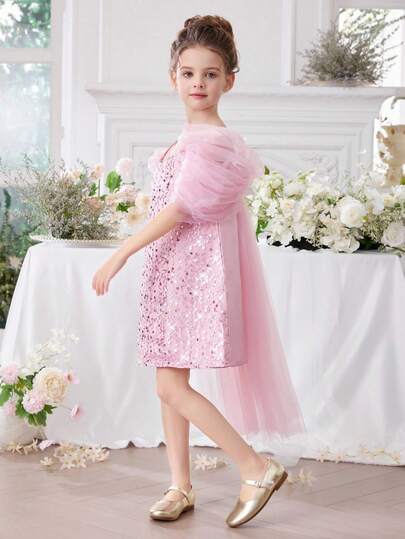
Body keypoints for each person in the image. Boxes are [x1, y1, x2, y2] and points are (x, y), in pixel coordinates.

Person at [92, 14, 306, 528]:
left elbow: (180, 208)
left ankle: (255, 466)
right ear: (173, 77)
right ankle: (180, 485)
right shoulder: (190, 136)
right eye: (188, 73)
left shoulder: (215, 141)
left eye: (210, 74)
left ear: (229, 80)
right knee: (167, 379)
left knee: (170, 386)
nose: (198, 84)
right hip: (171, 270)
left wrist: (121, 252)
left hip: (192, 275)